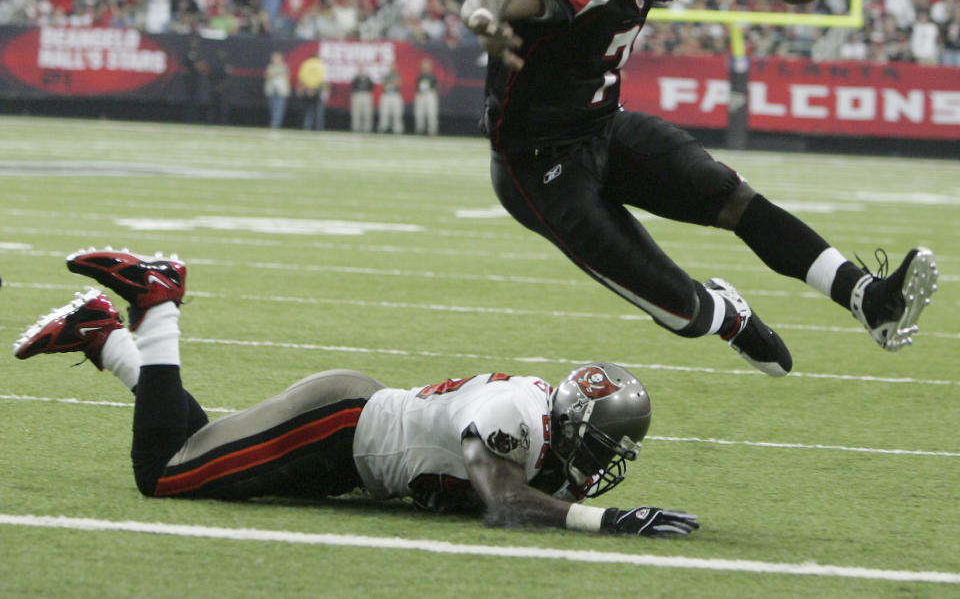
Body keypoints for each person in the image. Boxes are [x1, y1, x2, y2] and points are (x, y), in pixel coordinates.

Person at [460, 0, 939, 377]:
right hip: (540, 168)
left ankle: (868, 298)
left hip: (605, 127)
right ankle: (727, 314)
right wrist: (485, 17)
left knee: (734, 198)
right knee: (683, 311)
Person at [12, 248, 698, 538]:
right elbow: (503, 499)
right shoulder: (516, 412)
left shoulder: (542, 424)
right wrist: (606, 521)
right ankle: (156, 302)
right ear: (572, 422)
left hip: (351, 440)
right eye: (603, 442)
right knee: (163, 475)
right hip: (336, 425)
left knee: (196, 452)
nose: (603, 462)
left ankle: (103, 335)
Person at [296, 54, 329, 131]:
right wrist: (315, 89)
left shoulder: (306, 64)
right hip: (317, 90)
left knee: (306, 110)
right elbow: (323, 79)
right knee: (318, 111)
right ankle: (317, 127)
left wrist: (306, 89)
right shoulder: (321, 65)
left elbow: (301, 78)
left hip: (306, 89)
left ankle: (305, 126)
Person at [264, 51, 291, 129]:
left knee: (279, 107)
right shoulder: (270, 67)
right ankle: (274, 121)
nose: (275, 60)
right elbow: (268, 75)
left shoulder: (284, 67)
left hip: (281, 90)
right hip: (272, 89)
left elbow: (286, 75)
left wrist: (275, 73)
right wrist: (277, 73)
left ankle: (276, 123)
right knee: (272, 107)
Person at [413, 58, 440, 135]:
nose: (425, 67)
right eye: (424, 66)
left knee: (431, 113)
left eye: (427, 66)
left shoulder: (432, 76)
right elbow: (417, 86)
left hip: (430, 94)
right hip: (421, 95)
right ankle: (419, 130)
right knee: (419, 113)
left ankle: (432, 131)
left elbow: (436, 86)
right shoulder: (420, 76)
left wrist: (434, 94)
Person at [377, 63, 405, 134]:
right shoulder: (386, 75)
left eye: (393, 66)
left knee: (396, 113)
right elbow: (382, 84)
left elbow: (400, 83)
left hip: (395, 95)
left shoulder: (397, 75)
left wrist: (391, 82)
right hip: (386, 95)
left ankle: (397, 130)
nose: (392, 67)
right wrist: (391, 82)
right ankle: (383, 129)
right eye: (391, 66)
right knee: (384, 113)